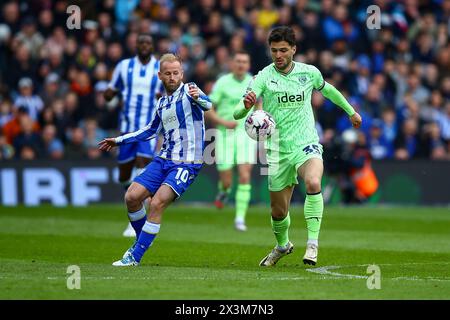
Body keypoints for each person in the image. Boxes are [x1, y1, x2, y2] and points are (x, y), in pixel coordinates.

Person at [233, 26, 362, 266]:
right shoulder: (263, 77)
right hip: (277, 149)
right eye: (274, 51)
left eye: (283, 50)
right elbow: (237, 113)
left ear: (294, 49)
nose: (278, 55)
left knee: (313, 182)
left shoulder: (309, 73)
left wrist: (351, 112)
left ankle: (312, 244)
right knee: (278, 212)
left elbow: (329, 91)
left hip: (306, 143)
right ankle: (282, 246)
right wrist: (247, 104)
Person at [98, 53, 212, 266]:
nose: (172, 77)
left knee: (157, 203)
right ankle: (143, 240)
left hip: (187, 162)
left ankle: (135, 255)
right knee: (131, 197)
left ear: (182, 73)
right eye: (167, 73)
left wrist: (199, 97)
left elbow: (208, 105)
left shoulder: (189, 90)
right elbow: (149, 131)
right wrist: (118, 140)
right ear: (160, 75)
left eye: (176, 73)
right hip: (163, 159)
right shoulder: (162, 104)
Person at [103, 32, 164, 237]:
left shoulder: (159, 68)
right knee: (124, 175)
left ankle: (135, 219)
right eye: (141, 42)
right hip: (126, 129)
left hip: (148, 130)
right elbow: (110, 91)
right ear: (136, 45)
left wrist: (162, 96)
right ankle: (131, 199)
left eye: (148, 42)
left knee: (142, 165)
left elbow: (170, 92)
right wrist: (108, 94)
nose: (145, 45)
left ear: (153, 46)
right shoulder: (123, 67)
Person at [206, 51, 257, 232]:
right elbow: (208, 108)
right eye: (238, 61)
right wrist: (223, 122)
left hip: (246, 135)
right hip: (225, 134)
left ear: (248, 64)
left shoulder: (254, 81)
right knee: (227, 181)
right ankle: (224, 192)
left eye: (244, 61)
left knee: (244, 175)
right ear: (232, 64)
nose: (241, 65)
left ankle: (240, 219)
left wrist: (259, 119)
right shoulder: (222, 82)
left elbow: (260, 104)